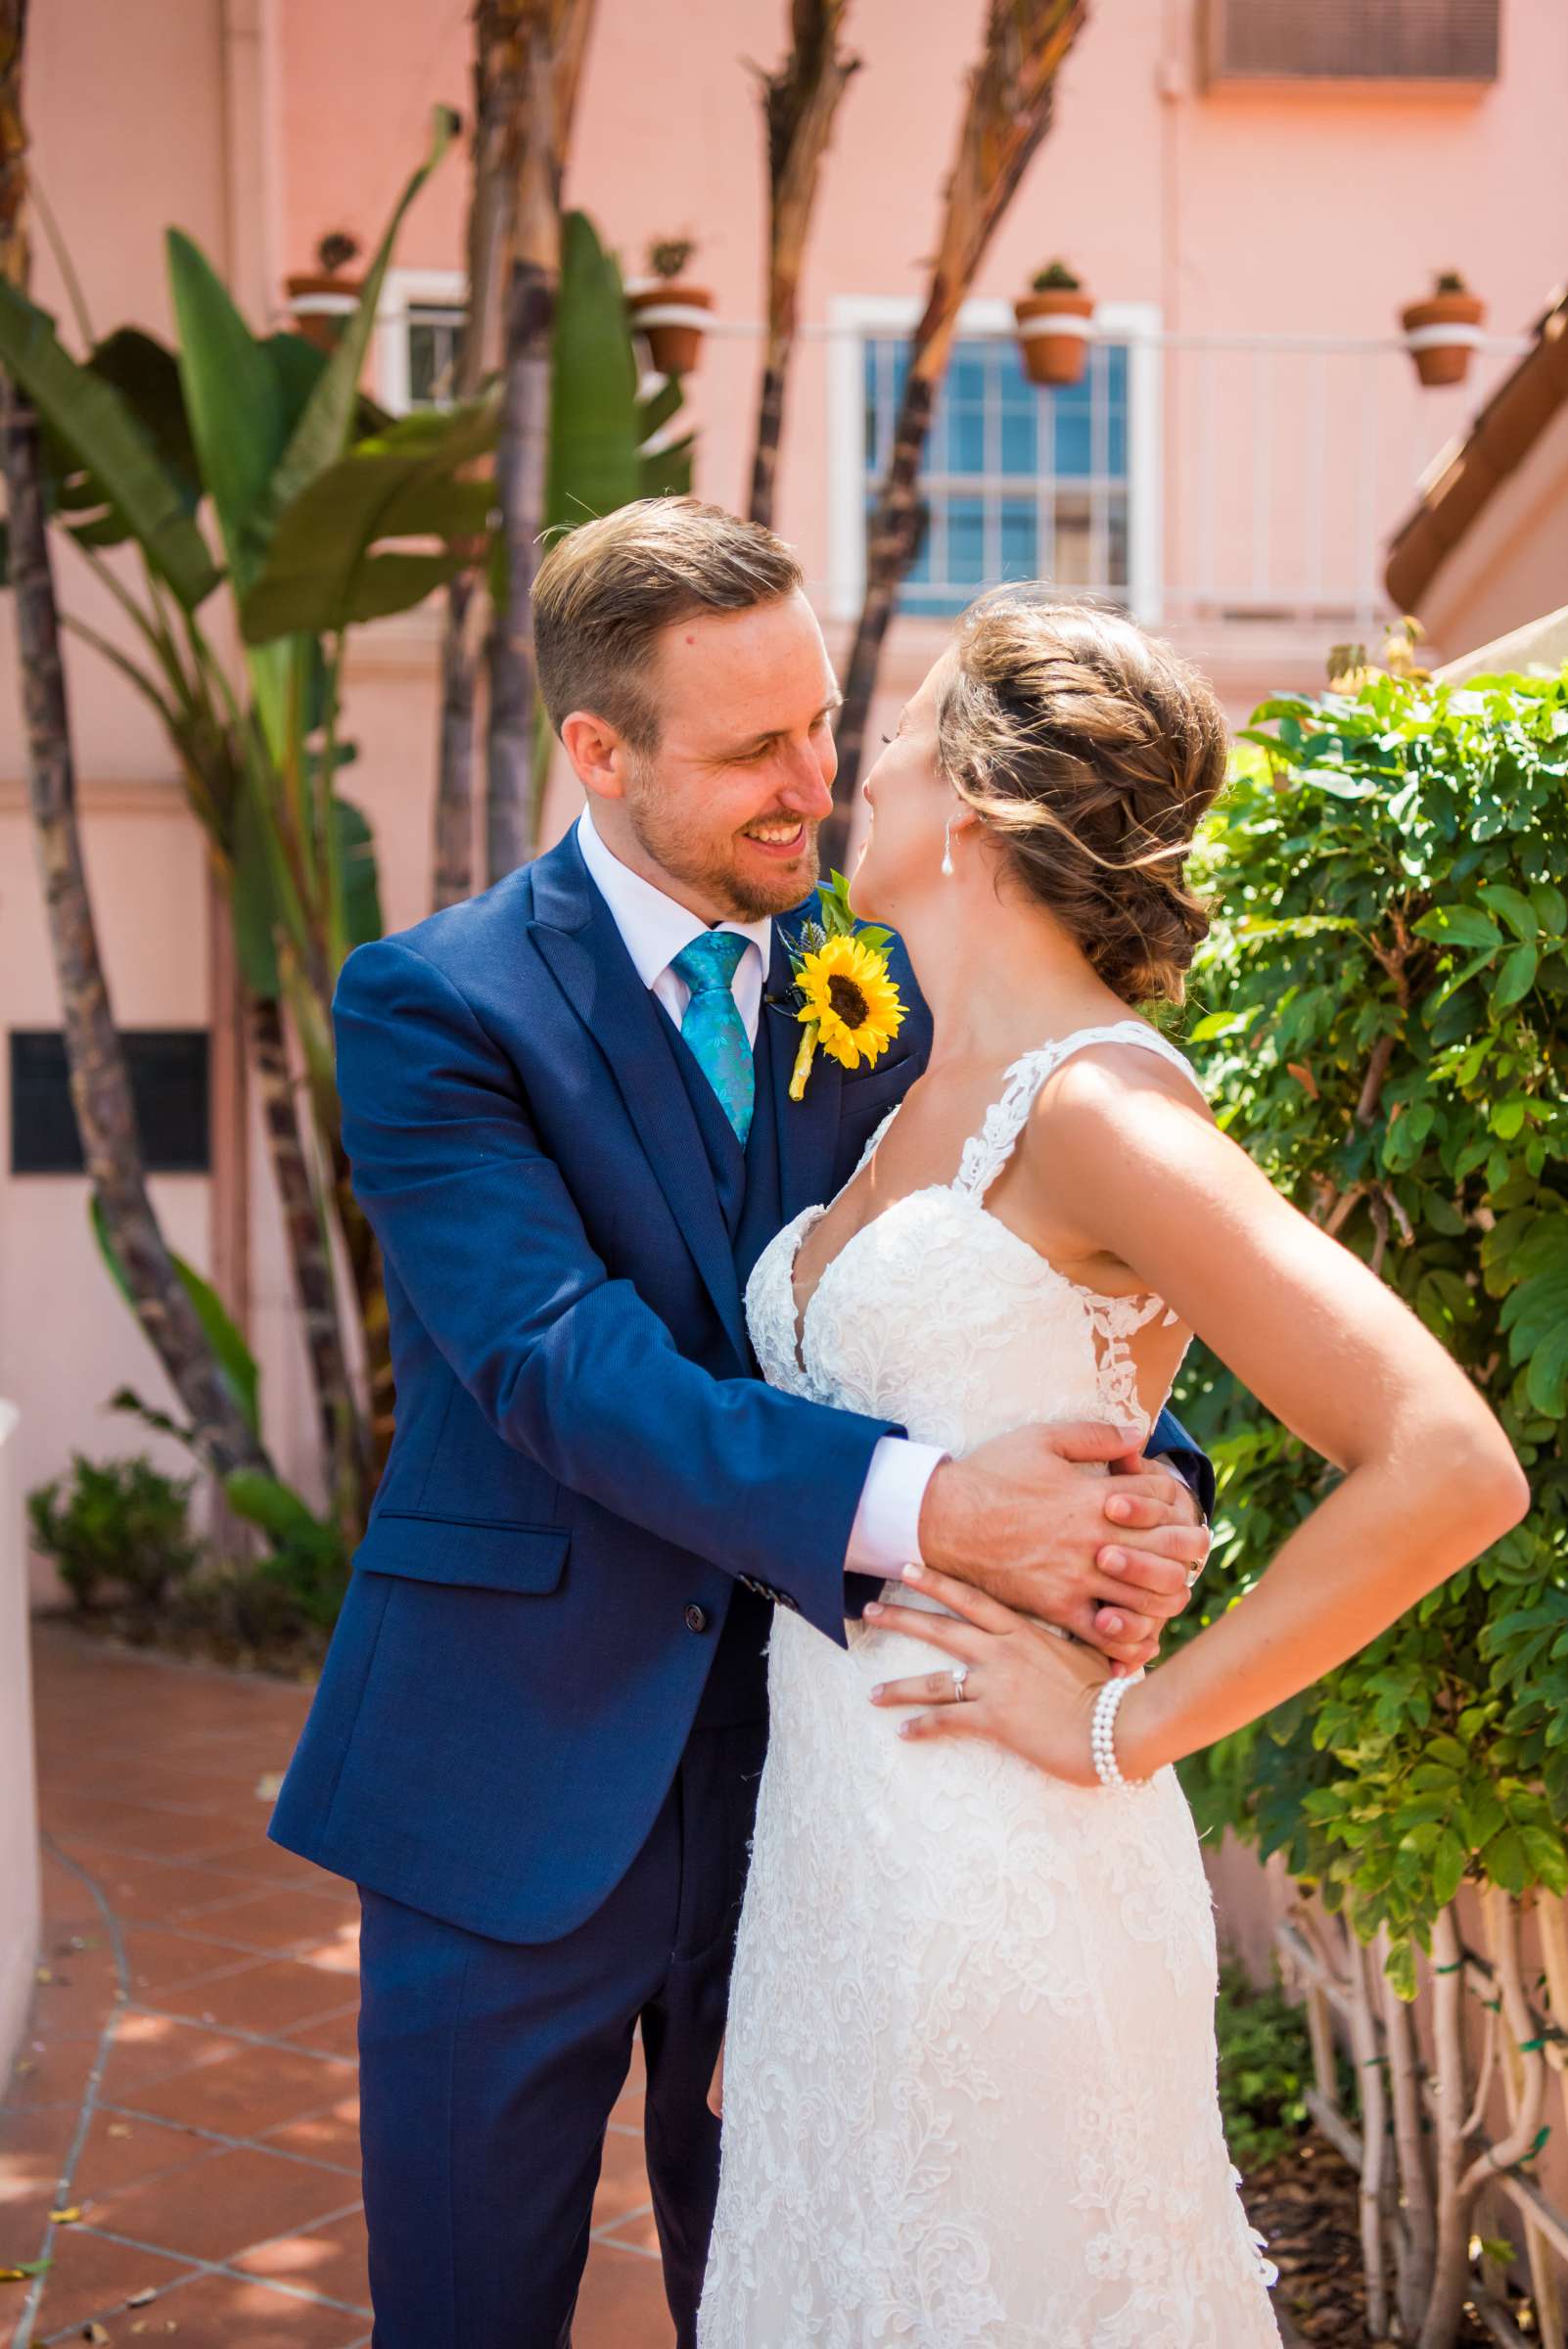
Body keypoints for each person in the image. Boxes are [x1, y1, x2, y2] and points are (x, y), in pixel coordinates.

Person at [266, 502, 1213, 2347]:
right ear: (599, 754)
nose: (807, 785)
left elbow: (1020, 1280)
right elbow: (553, 1359)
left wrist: (1137, 1496)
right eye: (746, 752)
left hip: (831, 1788)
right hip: (504, 1773)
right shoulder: (433, 1005)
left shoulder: (905, 993)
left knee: (785, 2287)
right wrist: (945, 1511)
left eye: (817, 725)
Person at [696, 582, 1529, 2347]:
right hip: (840, 1841)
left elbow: (1445, 1463)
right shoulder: (914, 1085)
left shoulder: (1095, 1108)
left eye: (904, 727)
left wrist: (1126, 1725)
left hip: (1008, 1839)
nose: (865, 757)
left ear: (982, 803)